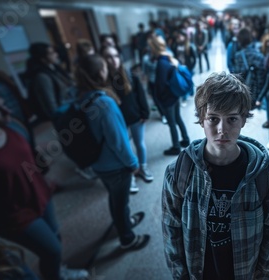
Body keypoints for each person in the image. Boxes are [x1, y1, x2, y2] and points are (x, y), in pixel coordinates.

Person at [162, 72, 269, 279]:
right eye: (213, 118)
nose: (222, 129)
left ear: (244, 120)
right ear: (201, 119)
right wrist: (179, 273)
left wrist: (262, 272)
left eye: (232, 119)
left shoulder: (265, 177)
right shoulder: (178, 173)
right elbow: (170, 227)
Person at [0, 91, 89, 280]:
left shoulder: (13, 127)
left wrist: (41, 178)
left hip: (39, 194)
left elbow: (29, 156)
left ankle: (57, 271)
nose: (6, 110)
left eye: (4, 104)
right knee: (52, 250)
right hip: (15, 214)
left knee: (54, 236)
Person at [74, 54, 150, 250]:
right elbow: (118, 141)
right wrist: (133, 164)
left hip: (97, 163)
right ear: (100, 72)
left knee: (115, 198)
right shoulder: (104, 103)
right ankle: (127, 238)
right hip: (115, 165)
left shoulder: (80, 97)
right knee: (120, 202)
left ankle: (124, 222)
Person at [101, 45, 154, 189]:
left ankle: (143, 167)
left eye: (115, 56)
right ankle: (130, 175)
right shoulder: (103, 81)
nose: (113, 60)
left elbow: (141, 96)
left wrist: (145, 112)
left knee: (140, 144)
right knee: (126, 148)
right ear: (103, 60)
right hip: (118, 121)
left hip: (135, 116)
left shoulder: (130, 76)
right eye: (108, 57)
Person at [147, 34, 190, 156]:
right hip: (175, 95)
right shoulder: (168, 57)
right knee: (178, 118)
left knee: (172, 123)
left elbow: (160, 85)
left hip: (167, 99)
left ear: (154, 48)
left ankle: (176, 147)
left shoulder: (161, 63)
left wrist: (158, 99)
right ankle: (185, 139)